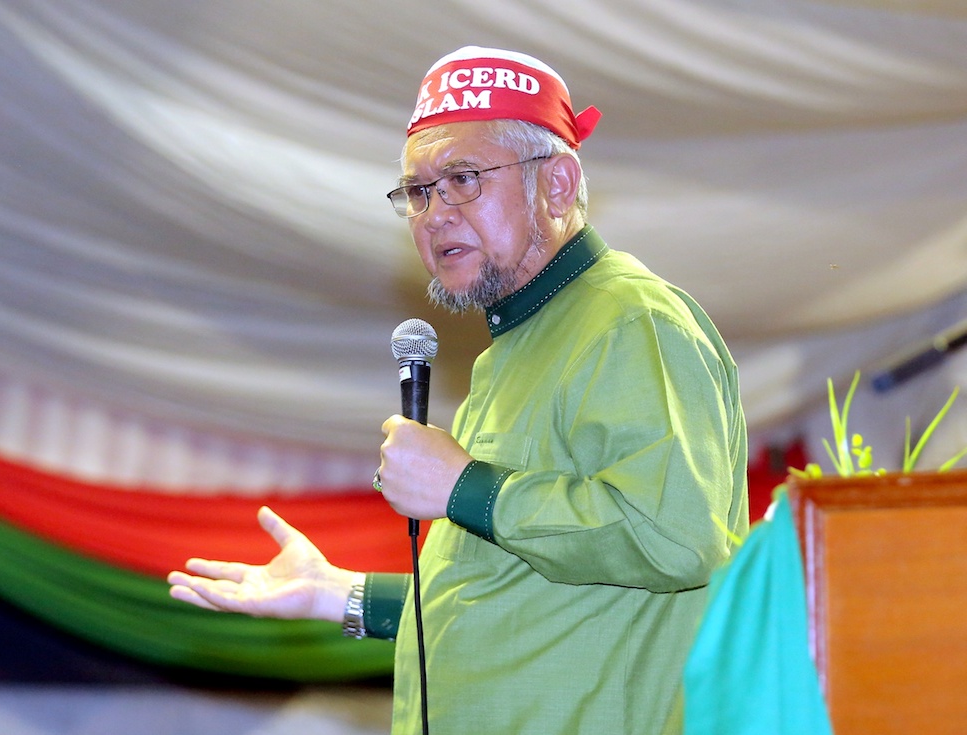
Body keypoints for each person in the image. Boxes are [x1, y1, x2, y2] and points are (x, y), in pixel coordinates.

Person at [168, 46, 748, 735]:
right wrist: (340, 595)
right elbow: (508, 587)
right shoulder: (514, 350)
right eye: (416, 191)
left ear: (558, 185)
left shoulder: (629, 319)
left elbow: (676, 537)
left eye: (463, 178)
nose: (434, 213)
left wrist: (468, 486)